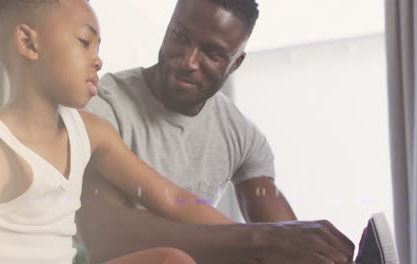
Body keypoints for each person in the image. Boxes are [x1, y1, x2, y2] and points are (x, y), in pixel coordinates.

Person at [0, 0, 255, 263]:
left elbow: (170, 197)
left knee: (170, 260)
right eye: (84, 42)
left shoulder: (89, 131)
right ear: (29, 43)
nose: (97, 60)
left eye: (98, 47)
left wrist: (257, 238)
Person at [78, 0, 355, 263]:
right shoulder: (100, 109)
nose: (188, 61)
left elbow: (286, 239)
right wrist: (260, 240)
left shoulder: (240, 136)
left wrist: (308, 247)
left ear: (235, 63)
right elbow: (105, 238)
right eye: (181, 37)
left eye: (212, 53)